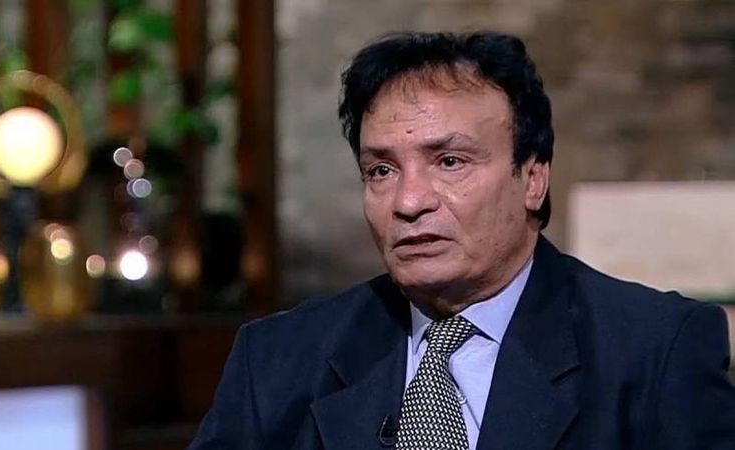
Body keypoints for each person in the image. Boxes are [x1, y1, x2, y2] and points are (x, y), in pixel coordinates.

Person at [188, 31, 735, 450]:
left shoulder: (655, 350)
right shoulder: (277, 361)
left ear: (533, 178)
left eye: (449, 162)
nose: (409, 201)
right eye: (381, 171)